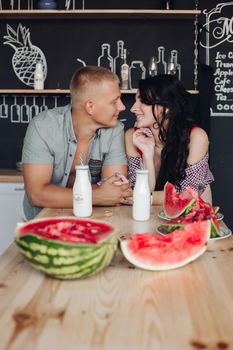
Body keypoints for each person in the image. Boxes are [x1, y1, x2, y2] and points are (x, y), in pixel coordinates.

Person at [22, 66, 132, 219]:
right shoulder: (43, 126)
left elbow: (115, 190)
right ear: (90, 107)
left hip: (95, 219)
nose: (122, 107)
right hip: (44, 222)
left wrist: (54, 194)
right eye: (114, 102)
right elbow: (36, 195)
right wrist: (97, 195)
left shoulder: (115, 129)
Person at [125, 74, 214, 205]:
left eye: (143, 101)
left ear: (166, 107)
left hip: (192, 218)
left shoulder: (196, 137)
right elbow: (138, 188)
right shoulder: (132, 136)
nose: (133, 108)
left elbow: (187, 194)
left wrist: (142, 197)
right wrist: (147, 156)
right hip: (149, 215)